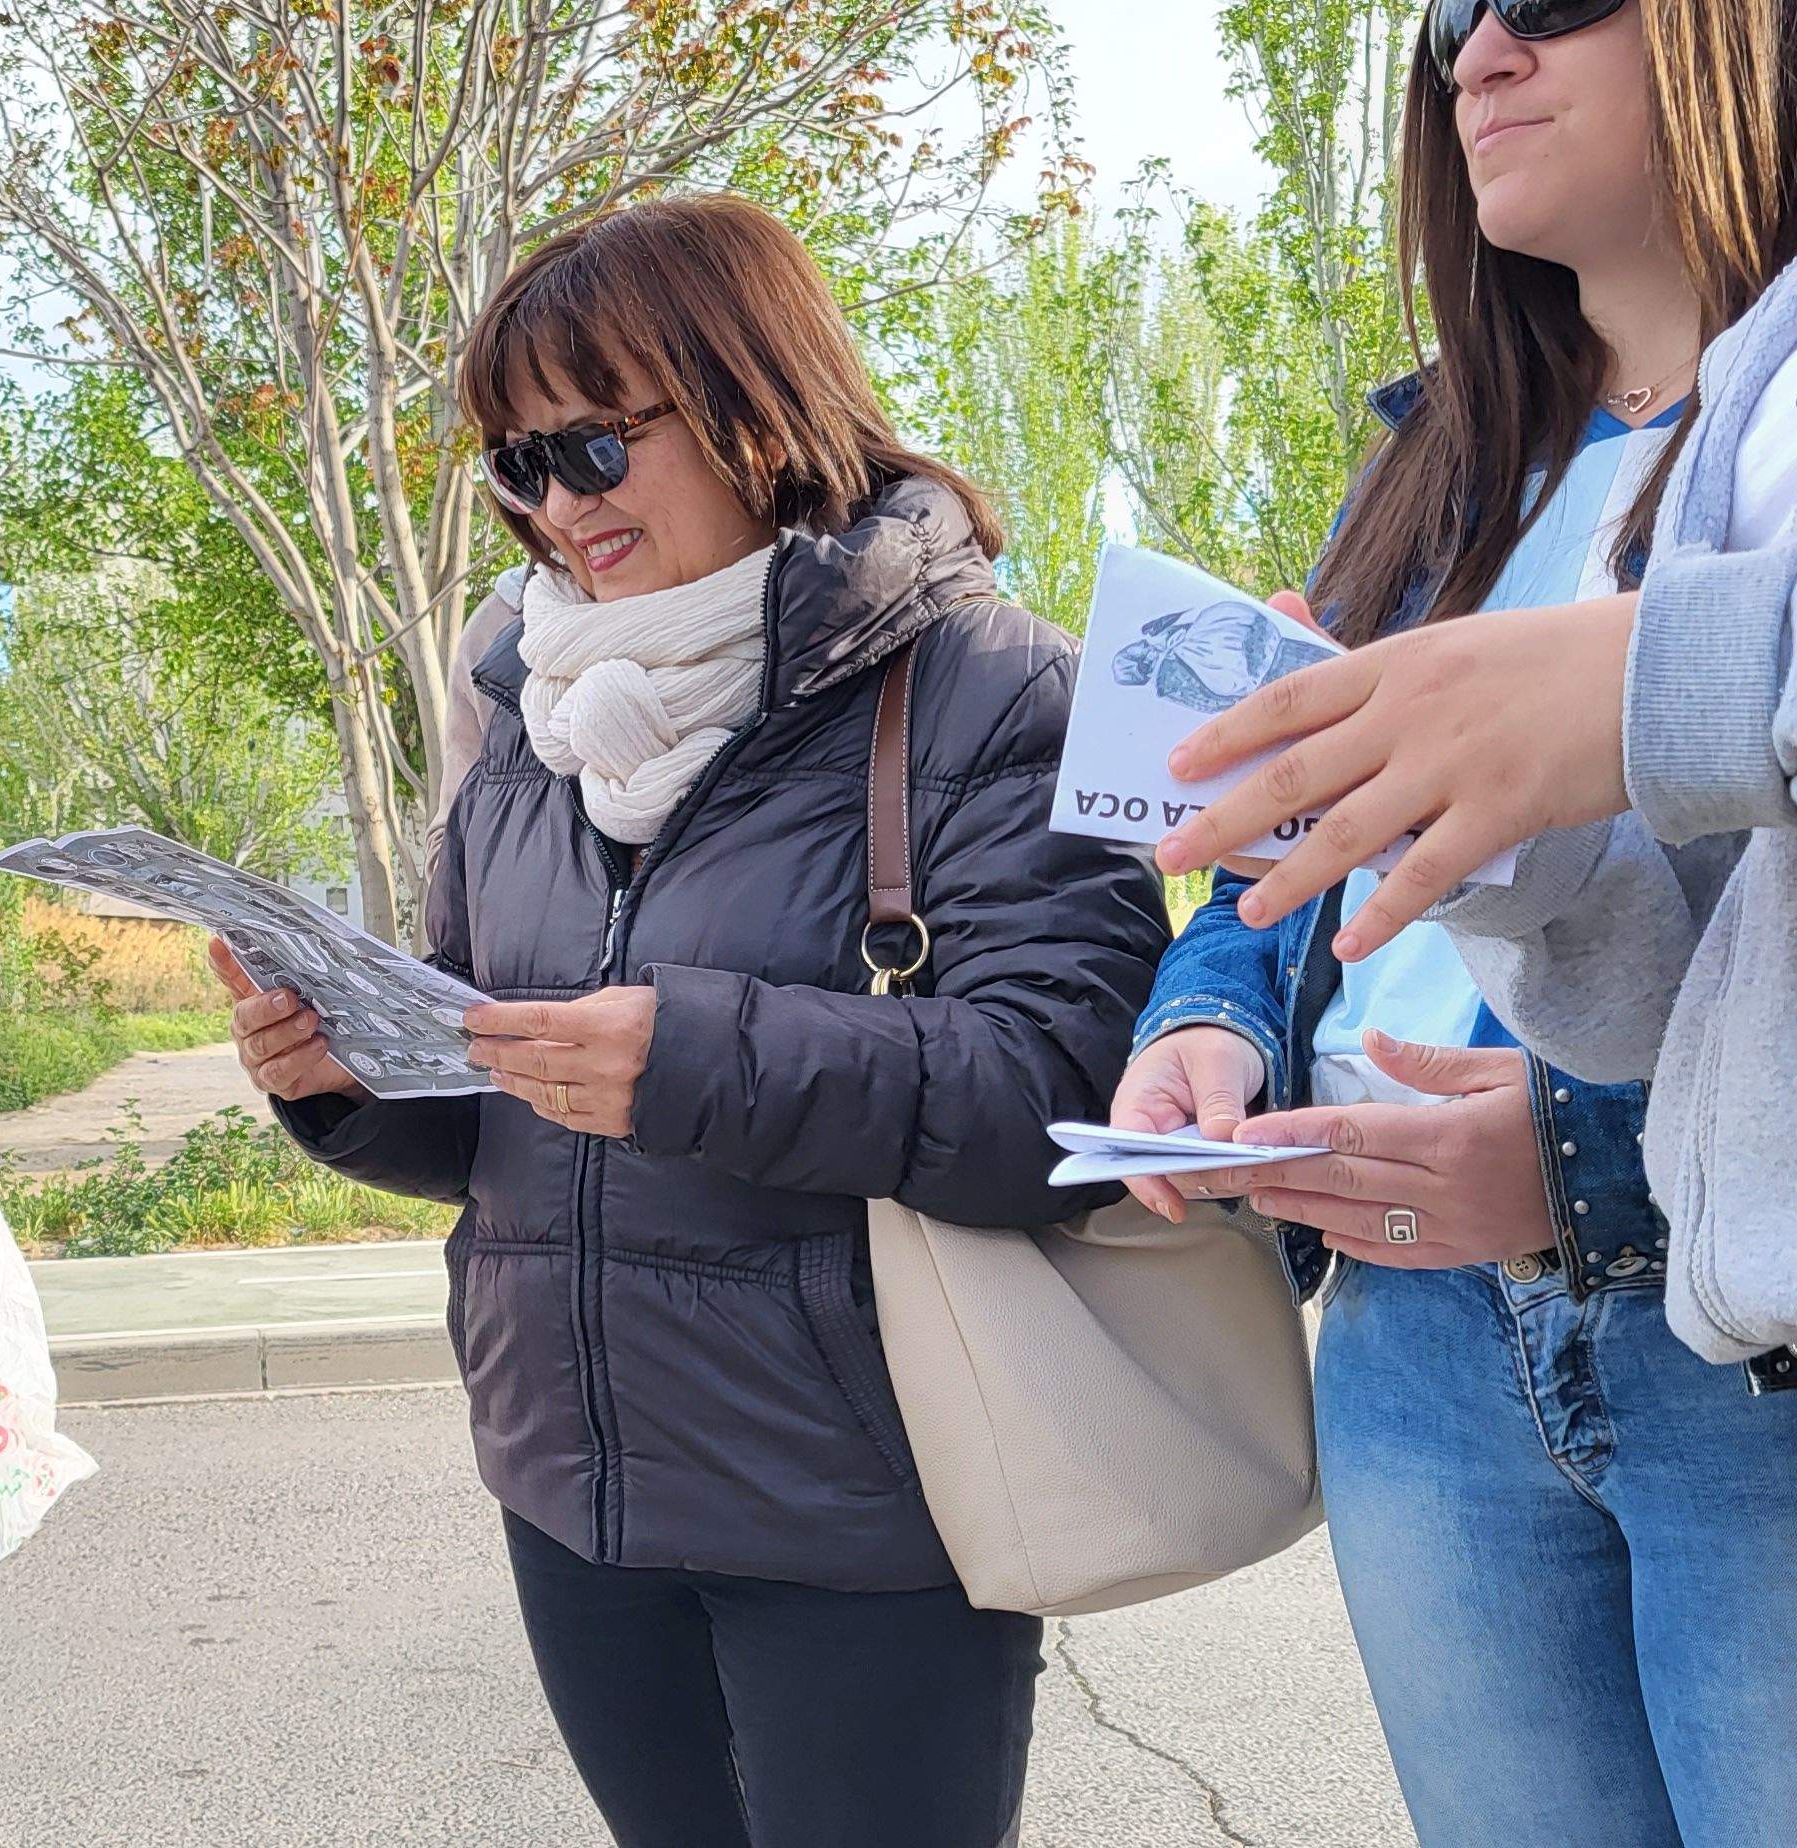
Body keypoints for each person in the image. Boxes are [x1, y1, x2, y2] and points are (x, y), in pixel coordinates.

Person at [1154, 1, 1797, 1838]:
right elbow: (1305, 851)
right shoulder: (1442, 455)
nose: (1472, 55)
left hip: (1772, 1354)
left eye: (1542, 0)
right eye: (1446, 22)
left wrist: (1586, 1153)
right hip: (1422, 1328)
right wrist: (1206, 1018)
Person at [228, 194, 1167, 1845]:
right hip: (571, 1480)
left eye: (592, 448)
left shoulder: (994, 688)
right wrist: (345, 1077)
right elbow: (508, 1108)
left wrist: (691, 1053)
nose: (557, 509)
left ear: (756, 400)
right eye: (518, 467)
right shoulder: (533, 718)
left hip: (863, 1503)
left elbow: (1070, 1097)